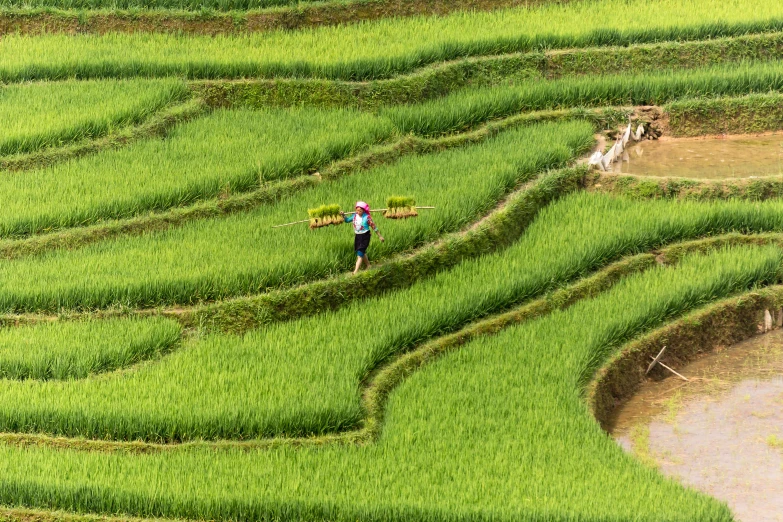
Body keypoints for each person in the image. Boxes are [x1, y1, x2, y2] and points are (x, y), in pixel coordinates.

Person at [341, 201, 384, 275]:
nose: (358, 212)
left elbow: (374, 227)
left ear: (363, 210)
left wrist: (380, 236)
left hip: (365, 236)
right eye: (357, 210)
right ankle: (368, 265)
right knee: (361, 251)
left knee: (359, 254)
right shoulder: (354, 216)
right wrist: (343, 215)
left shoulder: (367, 217)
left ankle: (355, 272)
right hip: (357, 236)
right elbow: (347, 220)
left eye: (360, 211)